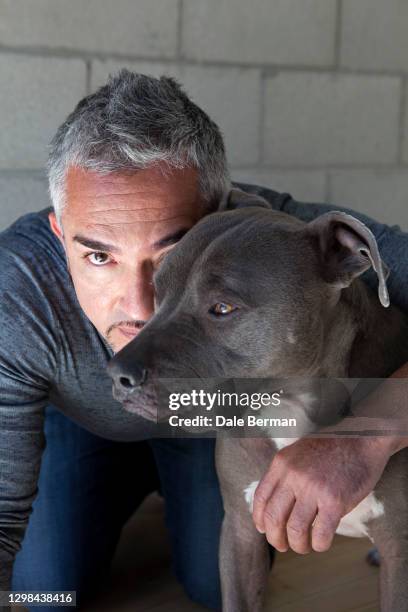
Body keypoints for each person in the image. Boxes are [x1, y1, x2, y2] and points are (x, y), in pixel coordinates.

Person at [0, 69, 407, 611]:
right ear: (60, 234)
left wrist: (361, 435)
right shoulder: (16, 289)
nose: (144, 308)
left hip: (207, 426)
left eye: (172, 257)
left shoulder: (291, 240)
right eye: (99, 256)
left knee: (214, 588)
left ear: (223, 211)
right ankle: (111, 487)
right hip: (78, 429)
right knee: (43, 596)